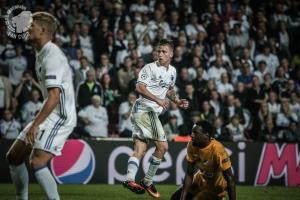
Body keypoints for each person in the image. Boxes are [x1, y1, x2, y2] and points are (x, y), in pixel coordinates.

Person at [6, 12, 77, 200]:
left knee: (37, 161)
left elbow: (54, 96)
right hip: (50, 111)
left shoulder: (52, 55)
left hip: (61, 115)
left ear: (43, 30)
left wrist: (36, 124)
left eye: (31, 26)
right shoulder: (41, 53)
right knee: (13, 157)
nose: (27, 29)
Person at [122, 39, 189, 198]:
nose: (160, 54)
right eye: (159, 51)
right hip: (146, 110)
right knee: (163, 147)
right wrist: (157, 100)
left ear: (171, 54)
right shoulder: (149, 67)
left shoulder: (172, 71)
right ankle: (148, 180)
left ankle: (130, 179)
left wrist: (177, 101)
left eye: (164, 51)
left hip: (144, 112)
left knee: (141, 149)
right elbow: (139, 87)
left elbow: (169, 90)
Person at [171, 120, 236, 200]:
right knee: (175, 198)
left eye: (195, 132)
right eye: (192, 132)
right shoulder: (191, 145)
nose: (191, 135)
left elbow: (230, 178)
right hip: (200, 180)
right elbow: (189, 173)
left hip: (216, 188)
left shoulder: (217, 149)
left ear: (206, 135)